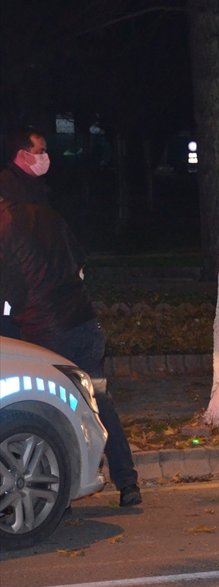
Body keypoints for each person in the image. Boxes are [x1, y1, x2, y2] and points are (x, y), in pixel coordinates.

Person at [0, 196, 142, 507]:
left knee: (51, 411)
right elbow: (79, 263)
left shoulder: (4, 231)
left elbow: (10, 294)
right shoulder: (48, 217)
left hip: (45, 335)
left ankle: (55, 494)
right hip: (84, 324)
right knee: (100, 400)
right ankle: (127, 481)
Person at [0, 127, 51, 205]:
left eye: (45, 151)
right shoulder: (6, 183)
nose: (45, 156)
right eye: (40, 152)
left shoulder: (36, 181)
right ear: (23, 154)